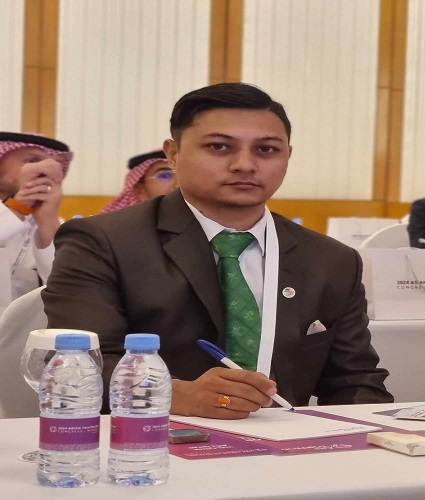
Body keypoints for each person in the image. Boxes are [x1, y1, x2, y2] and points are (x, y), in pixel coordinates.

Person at [43, 83, 392, 418]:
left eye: (266, 150)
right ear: (173, 154)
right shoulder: (103, 242)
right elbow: (77, 367)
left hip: (285, 446)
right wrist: (174, 394)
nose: (245, 165)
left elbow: (355, 381)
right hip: (149, 441)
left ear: (288, 155)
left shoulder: (331, 260)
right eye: (220, 147)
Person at [0, 132, 72, 312]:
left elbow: (67, 286)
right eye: (32, 161)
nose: (43, 171)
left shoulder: (53, 224)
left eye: (54, 166)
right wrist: (19, 207)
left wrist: (47, 220)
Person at [101, 150, 178, 213]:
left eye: (183, 174)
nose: (178, 185)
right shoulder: (117, 225)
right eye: (165, 176)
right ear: (140, 191)